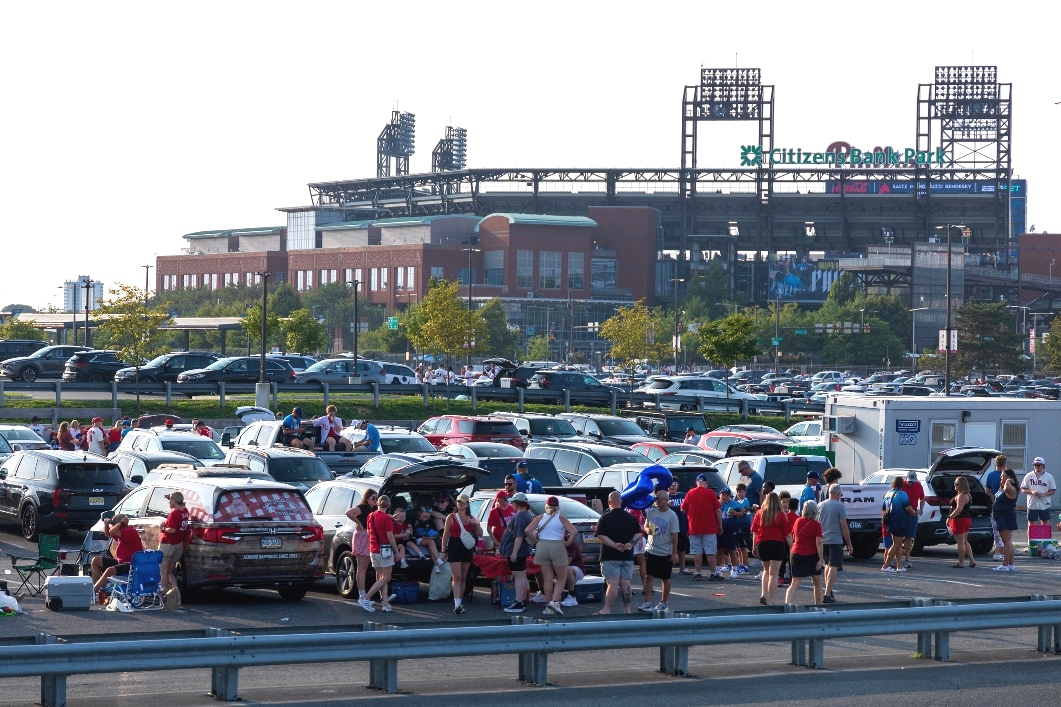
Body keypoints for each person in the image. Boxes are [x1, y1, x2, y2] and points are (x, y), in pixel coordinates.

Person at [526, 496, 577, 616]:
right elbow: (574, 532)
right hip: (557, 546)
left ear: (546, 506)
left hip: (542, 546)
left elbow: (527, 530)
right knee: (561, 577)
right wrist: (567, 543)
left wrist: (535, 540)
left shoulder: (539, 518)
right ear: (558, 507)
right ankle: (554, 602)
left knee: (547, 579)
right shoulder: (561, 518)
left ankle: (549, 606)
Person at [594, 491, 642, 615]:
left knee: (613, 584)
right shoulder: (630, 517)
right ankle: (627, 609)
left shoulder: (605, 518)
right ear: (621, 501)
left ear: (609, 502)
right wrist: (630, 544)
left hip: (610, 556)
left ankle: (607, 609)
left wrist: (614, 545)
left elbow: (601, 535)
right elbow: (638, 533)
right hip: (627, 556)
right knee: (626, 583)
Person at [638, 489, 680, 612]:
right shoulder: (651, 512)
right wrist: (647, 530)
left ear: (666, 500)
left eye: (659, 499)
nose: (656, 501)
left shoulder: (672, 515)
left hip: (665, 551)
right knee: (648, 576)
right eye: (655, 498)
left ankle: (664, 603)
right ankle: (647, 602)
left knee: (665, 578)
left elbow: (675, 535)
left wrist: (674, 552)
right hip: (651, 549)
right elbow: (646, 526)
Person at [442, 494, 482, 615]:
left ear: (467, 504)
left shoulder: (471, 518)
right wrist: (443, 550)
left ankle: (460, 601)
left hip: (466, 547)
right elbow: (445, 534)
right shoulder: (451, 516)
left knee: (464, 576)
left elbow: (480, 533)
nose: (460, 504)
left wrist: (476, 524)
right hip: (454, 545)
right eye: (458, 502)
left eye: (462, 502)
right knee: (457, 576)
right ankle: (457, 603)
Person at [682, 473, 724, 581]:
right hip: (709, 528)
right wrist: (720, 525)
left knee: (697, 552)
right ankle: (713, 573)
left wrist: (692, 513)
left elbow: (683, 509)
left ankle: (698, 573)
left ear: (696, 482)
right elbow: (717, 510)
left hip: (694, 527)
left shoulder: (690, 493)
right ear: (706, 483)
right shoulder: (710, 493)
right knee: (710, 552)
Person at [751, 493, 791, 606]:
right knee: (774, 573)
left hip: (762, 544)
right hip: (777, 544)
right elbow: (787, 534)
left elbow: (754, 532)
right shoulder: (781, 515)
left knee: (766, 571)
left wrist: (754, 546)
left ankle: (764, 594)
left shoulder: (760, 513)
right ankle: (770, 599)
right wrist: (793, 547)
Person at [816, 484, 853, 603]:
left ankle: (828, 589)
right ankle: (827, 593)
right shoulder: (840, 506)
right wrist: (849, 544)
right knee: (833, 566)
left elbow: (816, 523)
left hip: (823, 540)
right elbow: (843, 526)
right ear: (838, 494)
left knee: (827, 565)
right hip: (835, 540)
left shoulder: (820, 505)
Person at [500, 492, 535, 613]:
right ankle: (522, 601)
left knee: (518, 576)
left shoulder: (520, 516)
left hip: (518, 551)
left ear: (518, 503)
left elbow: (519, 536)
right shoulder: (527, 514)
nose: (511, 505)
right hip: (523, 550)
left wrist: (514, 552)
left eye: (513, 502)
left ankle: (518, 602)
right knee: (522, 575)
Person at [91, 514, 144, 594]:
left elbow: (112, 531)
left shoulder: (129, 531)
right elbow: (108, 534)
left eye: (114, 524)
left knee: (110, 570)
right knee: (96, 560)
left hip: (131, 564)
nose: (113, 526)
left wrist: (121, 523)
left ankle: (93, 591)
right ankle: (96, 591)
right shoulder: (121, 532)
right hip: (122, 562)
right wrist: (106, 525)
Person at [786, 499, 824, 605]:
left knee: (795, 582)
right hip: (811, 554)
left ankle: (787, 603)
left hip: (796, 553)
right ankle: (818, 606)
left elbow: (794, 536)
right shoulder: (816, 524)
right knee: (817, 582)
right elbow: (819, 542)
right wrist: (821, 559)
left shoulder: (798, 521)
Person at [364, 495, 397, 612]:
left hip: (373, 550)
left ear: (377, 504)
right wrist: (397, 551)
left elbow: (368, 532)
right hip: (385, 551)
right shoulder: (386, 518)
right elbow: (390, 536)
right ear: (388, 505)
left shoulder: (370, 516)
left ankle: (385, 604)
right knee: (387, 577)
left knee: (381, 578)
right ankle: (366, 598)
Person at [346, 489, 378, 611]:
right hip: (362, 536)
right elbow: (349, 512)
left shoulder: (374, 509)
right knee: (362, 567)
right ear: (367, 498)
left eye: (376, 498)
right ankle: (362, 595)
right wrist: (359, 523)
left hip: (370, 537)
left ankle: (369, 595)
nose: (375, 500)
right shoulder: (362, 508)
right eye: (373, 498)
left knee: (371, 566)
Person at [159, 491, 190, 603]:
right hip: (178, 545)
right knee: (170, 572)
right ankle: (176, 595)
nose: (169, 502)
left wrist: (163, 528)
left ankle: (165, 595)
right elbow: (180, 504)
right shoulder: (185, 511)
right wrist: (171, 497)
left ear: (175, 500)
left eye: (171, 500)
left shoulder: (174, 514)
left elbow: (172, 530)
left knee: (163, 571)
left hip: (168, 544)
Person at [880, 476, 913, 572]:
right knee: (897, 544)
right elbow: (907, 507)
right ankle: (886, 565)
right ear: (901, 484)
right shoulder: (902, 494)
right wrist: (914, 512)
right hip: (899, 521)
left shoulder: (888, 493)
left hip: (890, 522)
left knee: (897, 544)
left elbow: (884, 508)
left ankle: (899, 566)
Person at [994, 469, 1020, 572]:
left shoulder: (1011, 488)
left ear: (1009, 476)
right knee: (1008, 541)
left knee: (1007, 542)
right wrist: (1003, 482)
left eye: (1003, 475)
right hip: (1001, 516)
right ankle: (1010, 564)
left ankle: (1005, 565)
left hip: (1006, 516)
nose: (1001, 477)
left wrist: (1008, 481)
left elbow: (1007, 488)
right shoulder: (1003, 487)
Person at [900, 470, 925, 570]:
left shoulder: (918, 485)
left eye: (912, 482)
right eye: (909, 481)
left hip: (913, 514)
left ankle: (907, 558)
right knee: (898, 537)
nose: (910, 483)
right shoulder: (901, 485)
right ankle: (897, 559)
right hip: (901, 514)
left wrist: (921, 508)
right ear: (906, 479)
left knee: (909, 537)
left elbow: (922, 498)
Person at [948, 476, 975, 568]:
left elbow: (959, 509)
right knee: (965, 541)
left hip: (959, 520)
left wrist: (949, 517)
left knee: (960, 542)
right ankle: (972, 560)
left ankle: (961, 562)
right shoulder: (967, 494)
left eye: (956, 484)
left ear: (962, 485)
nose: (954, 485)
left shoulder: (961, 496)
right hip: (966, 519)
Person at [1021, 457, 1055, 528]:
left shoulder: (1049, 477)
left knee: (1045, 524)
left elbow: (1053, 490)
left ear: (1043, 466)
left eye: (1038, 465)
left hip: (1044, 504)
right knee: (1031, 525)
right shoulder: (1028, 476)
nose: (1036, 467)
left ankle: (1044, 535)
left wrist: (1043, 494)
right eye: (1035, 465)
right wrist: (1031, 491)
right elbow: (1023, 489)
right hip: (1032, 504)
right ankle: (1031, 536)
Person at [409, 506, 444, 570]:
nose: (425, 519)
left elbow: (436, 534)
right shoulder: (415, 521)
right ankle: (438, 560)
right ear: (420, 514)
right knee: (431, 542)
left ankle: (436, 566)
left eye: (427, 517)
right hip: (418, 539)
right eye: (423, 517)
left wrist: (432, 537)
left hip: (429, 539)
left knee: (432, 545)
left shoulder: (430, 522)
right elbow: (411, 534)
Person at [986, 455, 1007, 561]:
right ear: (1005, 464)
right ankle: (999, 552)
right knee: (1003, 529)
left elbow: (987, 491)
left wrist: (992, 498)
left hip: (994, 504)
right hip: (1004, 506)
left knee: (995, 529)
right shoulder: (1005, 476)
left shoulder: (990, 475)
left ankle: (999, 550)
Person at [668, 479, 690, 574]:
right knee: (668, 548)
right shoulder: (665, 497)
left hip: (682, 526)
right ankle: (667, 568)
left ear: (678, 485)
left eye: (674, 484)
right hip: (668, 528)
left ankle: (683, 568)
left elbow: (688, 512)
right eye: (669, 484)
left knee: (682, 549)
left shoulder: (682, 496)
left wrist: (688, 526)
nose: (671, 487)